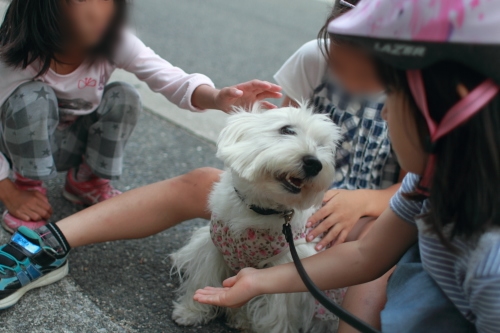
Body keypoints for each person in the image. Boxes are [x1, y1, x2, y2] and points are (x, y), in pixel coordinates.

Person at [0, 2, 395, 326]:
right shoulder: (316, 56)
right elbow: (282, 132)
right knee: (202, 182)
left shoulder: (421, 94)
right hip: (298, 200)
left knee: (377, 253)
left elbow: (423, 191)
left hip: (371, 210)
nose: (340, 65)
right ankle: (49, 243)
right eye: (337, 51)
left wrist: (367, 202)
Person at [193, 1, 500, 332]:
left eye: (393, 99)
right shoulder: (422, 187)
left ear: (438, 119)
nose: (383, 113)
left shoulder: (491, 266)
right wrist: (260, 282)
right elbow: (366, 255)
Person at [0, 0, 281, 233]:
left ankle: (87, 181)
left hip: (67, 142)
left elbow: (171, 79)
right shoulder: (13, 58)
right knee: (33, 99)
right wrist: (8, 191)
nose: (103, 12)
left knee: (124, 95)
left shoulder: (110, 40)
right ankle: (28, 186)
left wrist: (217, 98)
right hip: (17, 148)